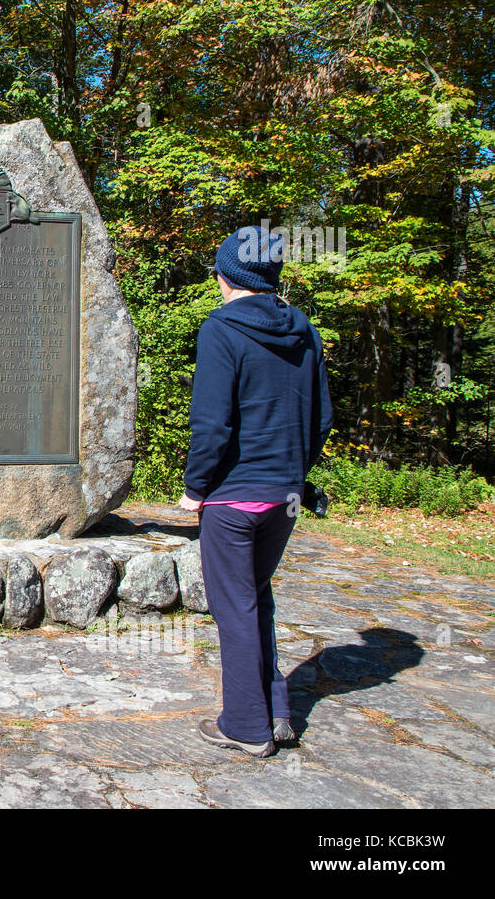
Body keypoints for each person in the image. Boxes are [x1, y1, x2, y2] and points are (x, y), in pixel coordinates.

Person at [178, 226, 333, 757]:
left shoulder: (220, 330)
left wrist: (195, 489)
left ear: (226, 275)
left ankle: (245, 726)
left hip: (233, 497)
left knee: (234, 607)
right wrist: (294, 471)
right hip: (285, 494)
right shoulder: (304, 329)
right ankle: (277, 712)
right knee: (256, 596)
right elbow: (321, 418)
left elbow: (212, 423)